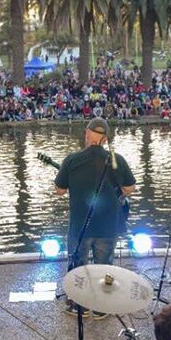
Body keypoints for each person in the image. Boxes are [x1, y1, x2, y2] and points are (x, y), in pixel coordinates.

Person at [54, 118, 135, 317]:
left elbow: (59, 190)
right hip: (108, 226)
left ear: (87, 134)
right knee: (105, 265)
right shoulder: (117, 160)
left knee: (77, 264)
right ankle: (101, 308)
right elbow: (129, 188)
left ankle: (79, 305)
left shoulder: (72, 159)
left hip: (80, 226)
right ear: (105, 139)